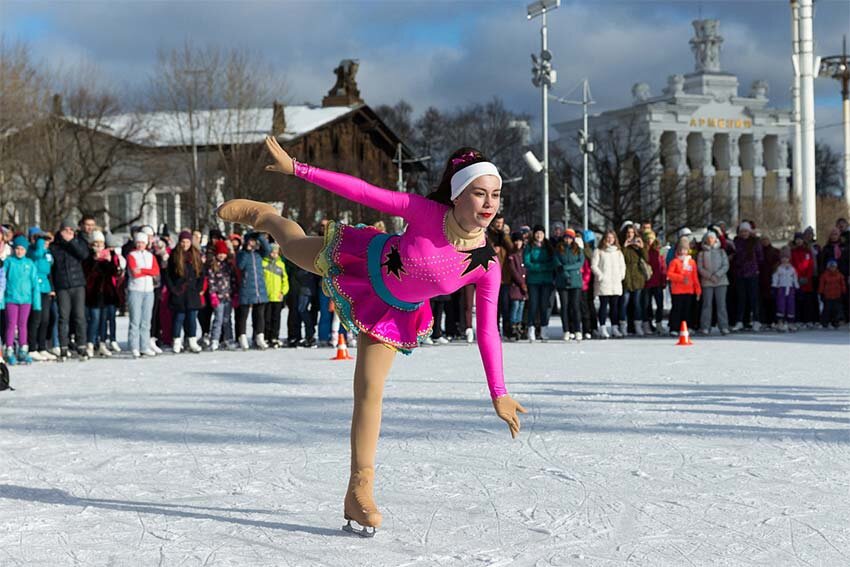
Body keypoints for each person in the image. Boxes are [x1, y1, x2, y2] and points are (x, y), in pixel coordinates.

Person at [216, 140, 526, 535]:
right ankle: (267, 217)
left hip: (394, 312)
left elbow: (487, 328)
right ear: (457, 194)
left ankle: (358, 492)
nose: (488, 204)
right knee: (294, 248)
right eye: (479, 193)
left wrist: (498, 392)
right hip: (360, 263)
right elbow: (363, 191)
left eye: (495, 195)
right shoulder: (427, 213)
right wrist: (299, 169)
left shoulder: (486, 264)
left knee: (368, 392)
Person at [50, 217, 90, 360]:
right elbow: (52, 268)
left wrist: (71, 242)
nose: (68, 232)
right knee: (63, 317)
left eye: (70, 230)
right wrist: (53, 287)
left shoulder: (79, 242)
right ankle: (63, 347)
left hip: (78, 284)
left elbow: (84, 255)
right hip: (62, 286)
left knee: (80, 316)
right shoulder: (54, 246)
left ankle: (82, 346)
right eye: (65, 230)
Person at [2, 235, 41, 364]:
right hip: (11, 299)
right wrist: (2, 301)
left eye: (22, 249)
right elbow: (2, 281)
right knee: (11, 324)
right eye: (17, 248)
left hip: (26, 300)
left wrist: (37, 303)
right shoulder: (9, 262)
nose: (19, 251)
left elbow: (35, 284)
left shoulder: (29, 264)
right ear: (14, 249)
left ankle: (23, 349)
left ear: (26, 250)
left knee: (23, 325)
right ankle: (9, 349)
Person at [165, 231, 205, 353]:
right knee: (179, 318)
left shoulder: (196, 254)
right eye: (183, 241)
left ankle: (192, 340)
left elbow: (201, 274)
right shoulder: (175, 255)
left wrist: (198, 288)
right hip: (179, 292)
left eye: (187, 241)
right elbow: (168, 275)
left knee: (192, 318)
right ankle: (177, 341)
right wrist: (173, 289)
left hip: (192, 292)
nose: (185, 244)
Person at [83, 230, 120, 358]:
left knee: (104, 320)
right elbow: (88, 274)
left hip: (105, 293)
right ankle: (90, 343)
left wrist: (110, 261)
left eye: (101, 244)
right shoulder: (88, 259)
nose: (99, 247)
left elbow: (114, 273)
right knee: (94, 319)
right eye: (96, 244)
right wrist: (95, 260)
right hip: (92, 294)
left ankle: (103, 343)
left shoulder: (107, 258)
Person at [235, 232, 271, 350]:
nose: (252, 243)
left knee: (259, 315)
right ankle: (242, 337)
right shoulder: (241, 254)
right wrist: (246, 250)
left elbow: (268, 249)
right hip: (246, 289)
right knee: (243, 315)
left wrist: (259, 236)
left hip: (259, 290)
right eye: (250, 240)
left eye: (253, 241)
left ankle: (259, 337)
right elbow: (240, 266)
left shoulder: (259, 254)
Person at [126, 231, 160, 358]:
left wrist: (143, 270)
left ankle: (144, 346)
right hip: (135, 289)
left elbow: (155, 271)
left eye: (142, 242)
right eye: (138, 242)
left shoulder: (150, 256)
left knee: (146, 320)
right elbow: (135, 272)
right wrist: (147, 272)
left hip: (149, 290)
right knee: (135, 320)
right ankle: (134, 346)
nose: (140, 245)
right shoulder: (131, 255)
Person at [26, 229, 56, 361]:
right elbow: (37, 254)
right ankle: (32, 347)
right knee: (35, 319)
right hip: (33, 288)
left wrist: (52, 287)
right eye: (38, 238)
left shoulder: (47, 253)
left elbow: (50, 269)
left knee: (45, 319)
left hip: (45, 287)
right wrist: (40, 241)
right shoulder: (31, 251)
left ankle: (42, 346)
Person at [591, 230, 626, 339]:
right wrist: (601, 276)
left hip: (615, 283)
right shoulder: (599, 251)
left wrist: (621, 276)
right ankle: (602, 327)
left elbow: (622, 266)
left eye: (612, 238)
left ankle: (615, 327)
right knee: (603, 306)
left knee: (615, 307)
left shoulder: (618, 252)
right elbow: (594, 266)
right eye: (608, 237)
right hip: (604, 283)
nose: (610, 240)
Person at [523, 225, 555, 342]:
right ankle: (531, 328)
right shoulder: (529, 247)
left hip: (546, 280)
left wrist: (542, 267)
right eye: (537, 233)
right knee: (533, 304)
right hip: (533, 281)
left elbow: (553, 262)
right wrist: (541, 267)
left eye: (541, 233)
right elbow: (527, 262)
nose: (539, 235)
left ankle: (544, 329)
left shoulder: (549, 246)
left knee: (544, 306)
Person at [731, 222, 762, 331]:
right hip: (740, 273)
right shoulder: (736, 242)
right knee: (741, 298)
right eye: (742, 231)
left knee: (753, 298)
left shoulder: (755, 242)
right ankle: (740, 321)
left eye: (746, 231)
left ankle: (756, 320)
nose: (744, 233)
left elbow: (760, 256)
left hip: (752, 273)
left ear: (749, 232)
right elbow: (734, 256)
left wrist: (756, 268)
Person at [697, 231, 730, 335]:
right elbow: (700, 267)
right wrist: (710, 276)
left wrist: (717, 275)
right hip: (707, 282)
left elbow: (726, 265)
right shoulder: (702, 253)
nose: (710, 240)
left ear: (715, 239)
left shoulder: (721, 252)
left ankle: (724, 326)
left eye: (712, 238)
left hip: (721, 281)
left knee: (721, 305)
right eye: (708, 238)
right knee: (707, 304)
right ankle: (705, 327)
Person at [667, 240, 702, 337]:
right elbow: (670, 274)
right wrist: (681, 278)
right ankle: (674, 328)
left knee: (688, 310)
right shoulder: (675, 261)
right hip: (677, 291)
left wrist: (698, 289)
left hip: (689, 290)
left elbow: (695, 277)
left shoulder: (692, 262)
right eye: (681, 249)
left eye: (685, 249)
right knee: (677, 309)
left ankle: (688, 326)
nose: (683, 252)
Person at [553, 228, 583, 341]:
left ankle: (577, 330)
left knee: (575, 307)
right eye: (566, 237)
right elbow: (557, 263)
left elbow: (579, 263)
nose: (568, 239)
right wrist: (564, 272)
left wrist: (566, 267)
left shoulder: (578, 249)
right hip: (562, 281)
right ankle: (566, 330)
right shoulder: (558, 249)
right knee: (564, 307)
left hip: (576, 282)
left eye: (570, 237)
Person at [262, 242, 289, 348]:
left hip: (277, 297)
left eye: (276, 252)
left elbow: (285, 280)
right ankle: (266, 337)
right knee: (266, 318)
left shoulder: (281, 264)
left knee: (276, 319)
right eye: (272, 252)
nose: (274, 254)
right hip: (266, 296)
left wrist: (283, 292)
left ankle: (274, 337)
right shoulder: (263, 263)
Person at [643, 230, 667, 335]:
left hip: (658, 282)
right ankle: (648, 323)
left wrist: (663, 279)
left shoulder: (659, 250)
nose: (649, 241)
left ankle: (659, 323)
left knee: (660, 305)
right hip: (647, 282)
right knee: (646, 305)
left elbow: (662, 266)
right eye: (647, 239)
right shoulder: (644, 250)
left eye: (651, 238)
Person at [771, 247, 799, 332]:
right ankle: (780, 322)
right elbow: (775, 277)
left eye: (786, 258)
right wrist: (774, 286)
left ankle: (790, 322)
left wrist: (796, 286)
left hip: (790, 288)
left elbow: (795, 277)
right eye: (783, 258)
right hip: (781, 288)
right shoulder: (779, 268)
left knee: (791, 305)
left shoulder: (792, 268)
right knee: (781, 305)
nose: (784, 259)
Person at [818, 259, 846, 327]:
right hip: (828, 296)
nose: (832, 268)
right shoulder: (824, 275)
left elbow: (843, 284)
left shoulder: (840, 275)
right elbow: (821, 285)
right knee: (827, 310)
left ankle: (835, 322)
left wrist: (843, 292)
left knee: (836, 310)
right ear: (828, 267)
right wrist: (821, 293)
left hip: (837, 295)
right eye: (831, 266)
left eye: (834, 266)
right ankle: (825, 322)